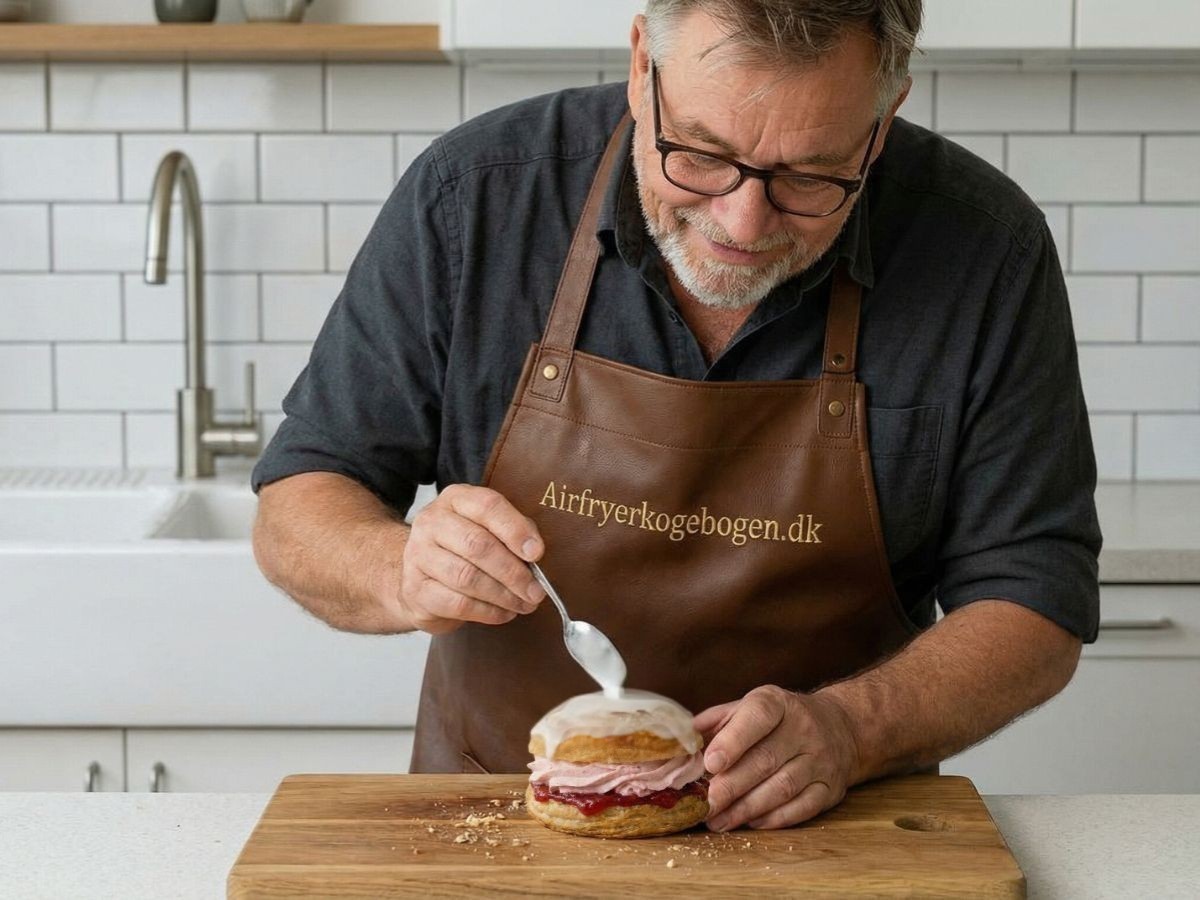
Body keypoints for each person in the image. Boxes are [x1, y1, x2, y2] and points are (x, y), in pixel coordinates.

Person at [251, 0, 1101, 833]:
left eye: (810, 175)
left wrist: (855, 727)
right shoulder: (478, 199)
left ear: (883, 121)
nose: (741, 221)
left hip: (831, 835)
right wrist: (399, 568)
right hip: (498, 825)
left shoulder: (985, 251)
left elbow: (1034, 598)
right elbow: (301, 502)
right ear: (640, 66)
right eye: (700, 153)